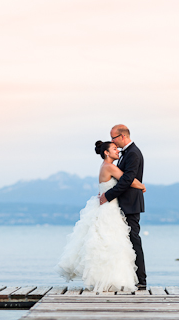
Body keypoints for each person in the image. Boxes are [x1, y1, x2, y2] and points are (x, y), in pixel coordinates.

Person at [56, 140, 146, 292]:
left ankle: (106, 279)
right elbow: (129, 181)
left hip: (108, 206)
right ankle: (111, 280)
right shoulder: (110, 167)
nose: (117, 150)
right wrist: (142, 186)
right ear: (106, 152)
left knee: (105, 244)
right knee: (111, 244)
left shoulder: (105, 166)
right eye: (114, 149)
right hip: (109, 209)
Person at [99, 125, 147, 289]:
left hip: (131, 204)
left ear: (122, 136)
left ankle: (141, 280)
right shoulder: (125, 154)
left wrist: (108, 195)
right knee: (124, 242)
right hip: (123, 204)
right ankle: (125, 277)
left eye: (113, 138)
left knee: (134, 241)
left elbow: (127, 180)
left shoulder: (133, 153)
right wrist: (140, 185)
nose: (112, 141)